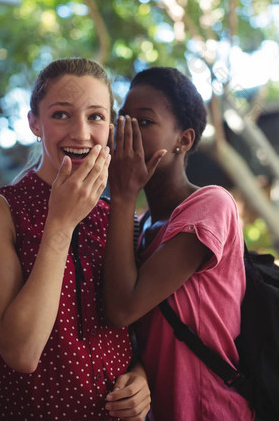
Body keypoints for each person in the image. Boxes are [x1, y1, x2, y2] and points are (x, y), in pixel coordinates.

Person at [0, 58, 151, 421]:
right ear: (34, 124)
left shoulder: (117, 216)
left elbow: (132, 326)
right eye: (61, 115)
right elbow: (21, 352)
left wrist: (140, 376)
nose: (81, 133)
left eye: (96, 117)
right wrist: (60, 221)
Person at [103, 66, 255, 421]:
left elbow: (122, 309)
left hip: (213, 410)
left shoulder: (211, 205)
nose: (127, 133)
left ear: (183, 140)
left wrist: (123, 194)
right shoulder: (142, 227)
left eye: (144, 122)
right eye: (123, 120)